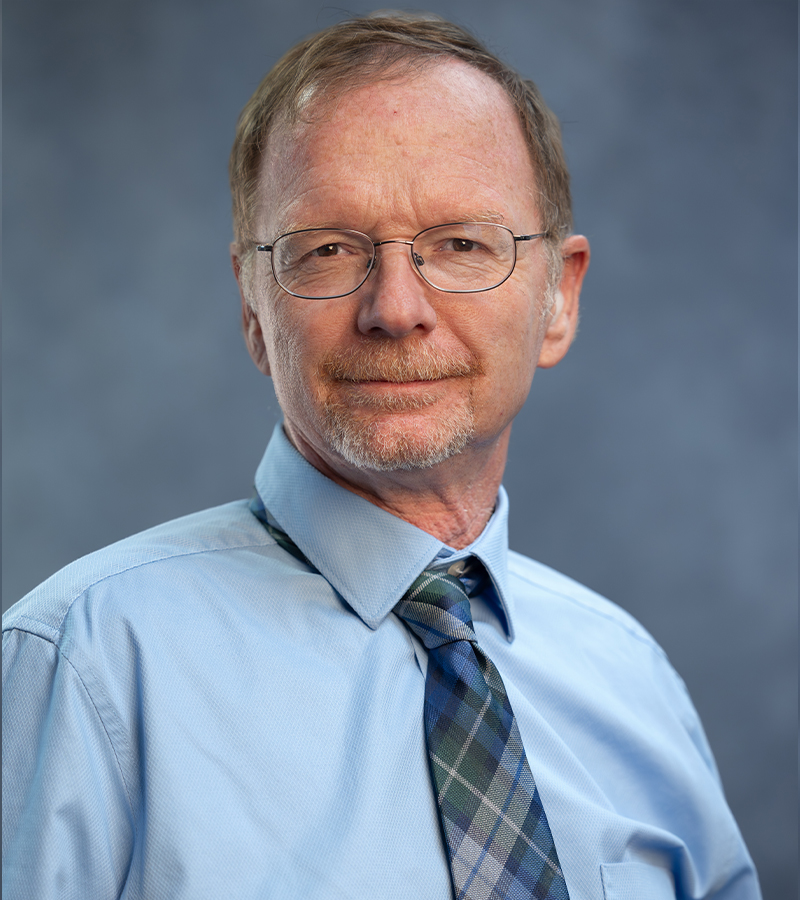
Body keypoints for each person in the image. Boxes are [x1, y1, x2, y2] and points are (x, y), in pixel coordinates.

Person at [2, 13, 759, 900]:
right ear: (253, 309)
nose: (396, 307)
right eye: (329, 250)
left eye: (461, 245)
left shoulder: (633, 682)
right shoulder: (83, 665)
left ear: (558, 298)